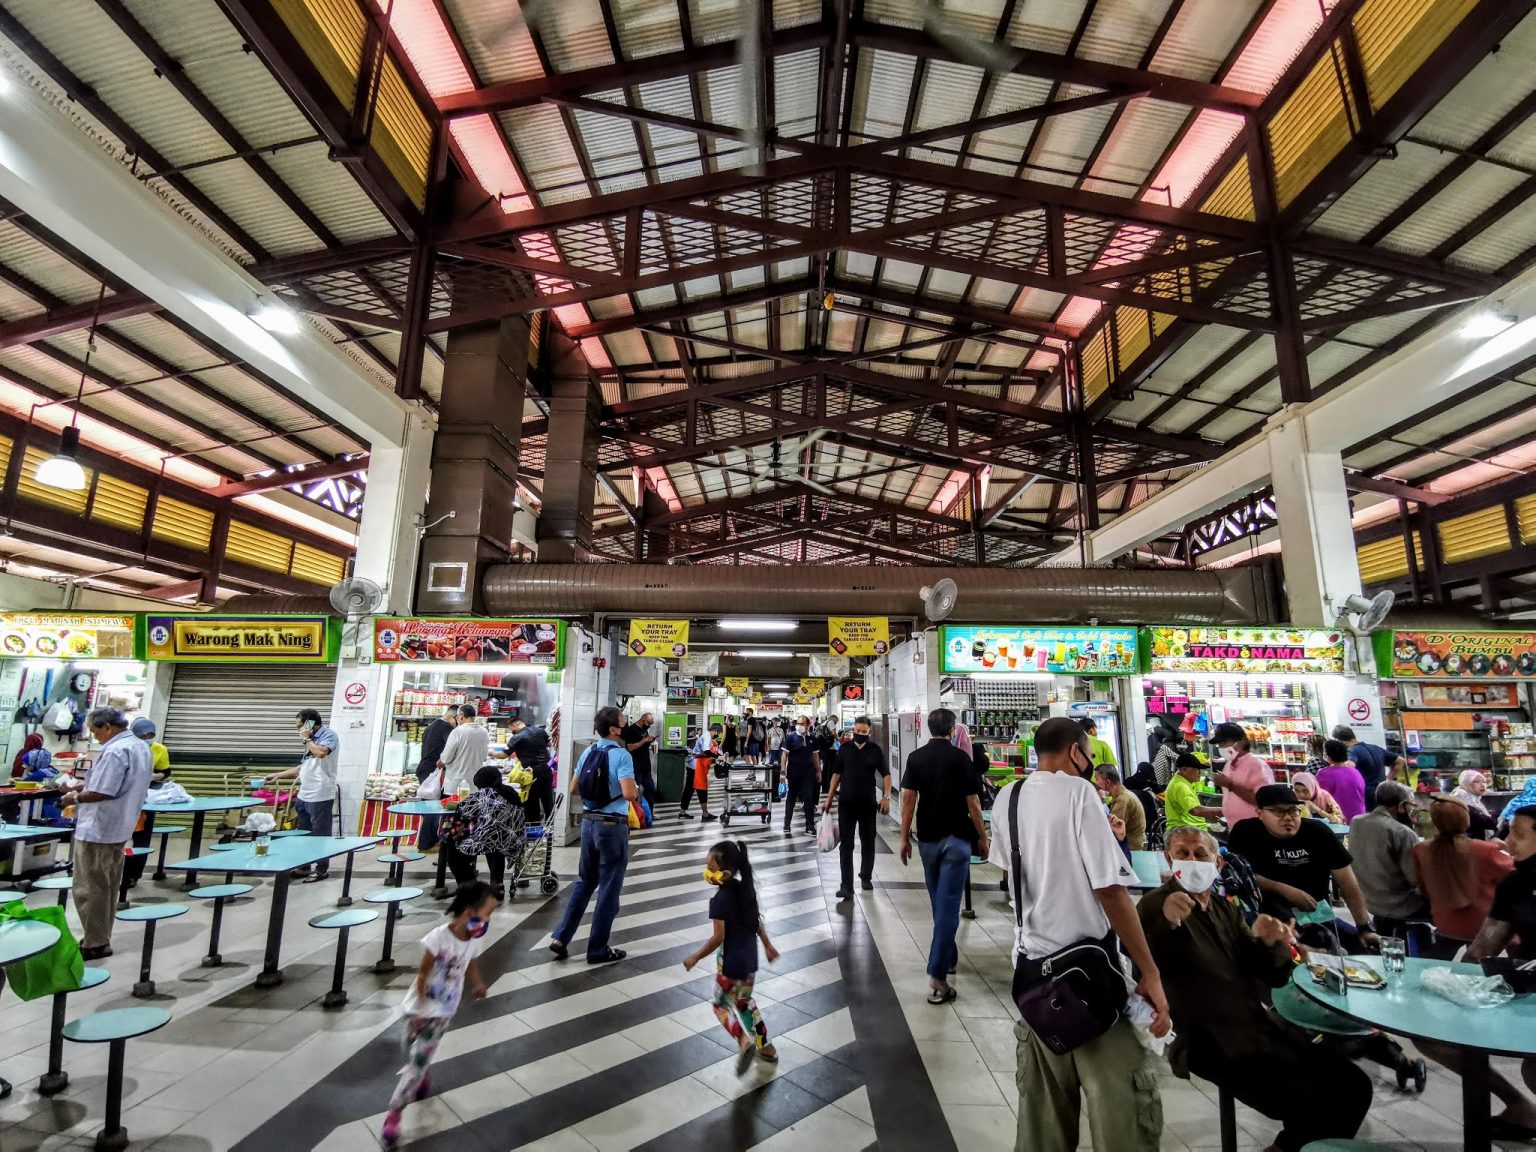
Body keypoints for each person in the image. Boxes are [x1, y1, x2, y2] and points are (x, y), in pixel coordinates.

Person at [988, 717, 1168, 1151]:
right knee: (1120, 1117)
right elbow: (1111, 890)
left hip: (1034, 975)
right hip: (1090, 978)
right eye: (1088, 754)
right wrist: (1150, 972)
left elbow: (1011, 871)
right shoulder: (1079, 792)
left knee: (1044, 1121)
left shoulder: (1009, 797)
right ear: (1074, 752)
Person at [1139, 826, 1373, 1152]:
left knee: (1354, 1086)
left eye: (1200, 854)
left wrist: (1271, 942)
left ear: (1217, 863)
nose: (1191, 861)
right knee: (1314, 1099)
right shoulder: (1154, 905)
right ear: (1169, 859)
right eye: (1183, 854)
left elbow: (1270, 975)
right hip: (1209, 1041)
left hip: (1258, 1029)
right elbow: (1143, 970)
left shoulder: (1225, 908)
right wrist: (1168, 924)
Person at [1420, 806, 1536, 1139]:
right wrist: (1446, 986)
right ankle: (1520, 1108)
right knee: (1431, 1037)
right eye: (1509, 831)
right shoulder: (1515, 882)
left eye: (1518, 834)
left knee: (1534, 1069)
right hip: (1523, 992)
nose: (1507, 841)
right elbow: (1484, 946)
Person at [380, 880, 497, 1149]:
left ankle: (394, 1114)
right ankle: (421, 1075)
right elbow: (423, 971)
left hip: (443, 1012)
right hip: (419, 1007)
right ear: (469, 911)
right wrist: (422, 996)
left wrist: (478, 984)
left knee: (416, 1063)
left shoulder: (474, 940)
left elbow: (469, 965)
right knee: (408, 1047)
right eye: (488, 912)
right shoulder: (438, 938)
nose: (489, 919)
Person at [898, 708, 989, 1006]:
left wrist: (904, 838)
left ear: (928, 729)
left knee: (941, 903)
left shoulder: (916, 758)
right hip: (958, 839)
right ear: (952, 730)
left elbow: (908, 799)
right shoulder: (961, 758)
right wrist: (983, 837)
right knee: (948, 906)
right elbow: (973, 802)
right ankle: (938, 973)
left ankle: (947, 959)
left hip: (928, 838)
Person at [1228, 784, 1380, 949]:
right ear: (1260, 814)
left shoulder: (1317, 832)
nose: (1288, 818)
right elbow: (1240, 875)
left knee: (1363, 948)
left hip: (1317, 916)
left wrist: (1364, 927)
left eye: (1294, 811)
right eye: (1279, 812)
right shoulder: (1245, 832)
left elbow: (1347, 882)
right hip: (1267, 921)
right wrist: (1283, 889)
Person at [59, 708, 152, 960]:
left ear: (108, 727)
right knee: (107, 886)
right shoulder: (140, 747)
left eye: (95, 731)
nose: (95, 736)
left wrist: (73, 797)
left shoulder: (115, 750)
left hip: (98, 830)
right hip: (118, 827)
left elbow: (104, 791)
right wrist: (84, 786)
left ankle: (95, 943)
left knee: (90, 888)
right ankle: (100, 937)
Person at [549, 706, 639, 964]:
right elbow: (630, 794)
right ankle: (598, 949)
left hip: (589, 824)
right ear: (613, 729)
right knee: (609, 888)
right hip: (612, 827)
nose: (625, 725)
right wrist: (632, 790)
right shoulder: (621, 755)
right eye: (622, 722)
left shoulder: (588, 752)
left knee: (584, 882)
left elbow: (574, 788)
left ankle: (561, 937)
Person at [683, 840, 781, 1074]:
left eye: (711, 868)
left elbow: (718, 937)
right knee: (744, 1002)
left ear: (725, 872)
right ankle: (766, 1048)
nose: (707, 872)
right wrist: (767, 945)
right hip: (749, 961)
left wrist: (695, 957)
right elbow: (756, 921)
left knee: (720, 1006)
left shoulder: (719, 900)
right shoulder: (744, 889)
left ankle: (743, 1041)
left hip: (730, 964)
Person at [1414, 795, 1513, 950]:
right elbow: (1519, 877)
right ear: (1466, 818)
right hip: (1484, 931)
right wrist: (1508, 850)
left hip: (1444, 925)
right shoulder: (1486, 851)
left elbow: (1423, 888)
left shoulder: (1421, 850)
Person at [263, 708, 340, 882]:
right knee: (303, 832)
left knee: (320, 834)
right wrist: (278, 775)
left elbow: (321, 753)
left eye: (299, 726)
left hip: (321, 794)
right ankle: (304, 866)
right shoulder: (311, 741)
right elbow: (303, 767)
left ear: (310, 724)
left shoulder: (328, 736)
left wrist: (306, 739)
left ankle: (321, 869)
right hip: (304, 793)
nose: (297, 729)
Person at [1348, 781, 1430, 937]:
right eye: (1410, 806)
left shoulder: (1356, 821)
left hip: (1368, 900)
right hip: (1399, 904)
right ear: (1400, 806)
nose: (1412, 810)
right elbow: (1416, 879)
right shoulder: (1402, 832)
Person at [822, 715, 892, 899]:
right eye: (857, 731)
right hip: (846, 803)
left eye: (864, 731)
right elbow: (836, 775)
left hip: (868, 804)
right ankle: (846, 885)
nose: (860, 734)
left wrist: (886, 797)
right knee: (846, 845)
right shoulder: (844, 749)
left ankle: (866, 876)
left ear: (870, 732)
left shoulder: (875, 750)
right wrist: (829, 799)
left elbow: (886, 775)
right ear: (853, 730)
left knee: (868, 840)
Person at [443, 766, 525, 900]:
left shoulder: (485, 794)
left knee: (453, 848)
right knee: (495, 843)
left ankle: (470, 888)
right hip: (514, 840)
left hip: (493, 839)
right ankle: (497, 888)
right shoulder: (510, 792)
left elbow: (462, 810)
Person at [122, 717, 169, 889]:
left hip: (146, 800)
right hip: (124, 800)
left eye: (150, 735)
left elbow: (165, 771)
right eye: (143, 735)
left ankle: (133, 874)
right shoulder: (125, 748)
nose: (147, 738)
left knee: (141, 839)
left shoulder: (159, 749)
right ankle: (118, 872)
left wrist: (153, 777)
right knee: (120, 839)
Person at [1209, 722, 1272, 829]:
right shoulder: (1228, 765)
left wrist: (1230, 785)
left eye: (1224, 743)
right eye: (1219, 744)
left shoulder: (1257, 766)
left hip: (1255, 828)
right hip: (1234, 828)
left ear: (1241, 742)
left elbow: (1264, 800)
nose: (1221, 748)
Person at [1331, 725, 1403, 801]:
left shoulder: (1351, 751)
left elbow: (1348, 766)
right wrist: (1388, 780)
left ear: (1339, 741)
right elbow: (1400, 761)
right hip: (1381, 793)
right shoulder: (1376, 748)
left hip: (1364, 796)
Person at [506, 718, 554, 825]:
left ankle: (535, 827)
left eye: (512, 729)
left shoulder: (517, 737)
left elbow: (505, 754)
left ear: (514, 724)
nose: (512, 732)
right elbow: (549, 744)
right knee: (548, 800)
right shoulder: (540, 731)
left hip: (531, 773)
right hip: (546, 770)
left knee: (532, 802)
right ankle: (551, 828)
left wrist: (492, 753)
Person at [780, 717, 820, 837]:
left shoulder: (812, 738)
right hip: (793, 773)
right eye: (798, 723)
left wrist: (819, 771)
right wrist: (782, 772)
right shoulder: (791, 737)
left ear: (808, 725)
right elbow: (784, 755)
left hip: (808, 773)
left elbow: (815, 756)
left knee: (808, 799)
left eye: (802, 723)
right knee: (791, 798)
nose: (799, 725)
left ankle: (810, 827)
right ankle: (787, 824)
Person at [439, 704, 490, 797]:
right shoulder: (484, 732)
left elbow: (446, 758)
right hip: (475, 784)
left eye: (457, 717)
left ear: (461, 716)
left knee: (454, 806)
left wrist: (440, 761)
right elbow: (484, 756)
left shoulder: (457, 732)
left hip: (456, 785)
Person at [1163, 752, 1222, 831]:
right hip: (1185, 833)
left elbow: (1189, 811)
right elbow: (1195, 810)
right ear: (1185, 769)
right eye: (1197, 769)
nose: (1200, 772)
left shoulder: (1183, 782)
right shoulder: (1180, 786)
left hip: (1191, 829)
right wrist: (1224, 810)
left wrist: (1206, 816)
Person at [1316, 739, 1368, 822]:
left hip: (1339, 818)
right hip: (1359, 816)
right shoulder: (1355, 772)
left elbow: (1321, 798)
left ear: (1328, 755)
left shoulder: (1324, 774)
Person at [1095, 765, 1145, 851]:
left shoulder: (1122, 800)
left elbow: (1110, 831)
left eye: (1097, 779)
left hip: (1131, 848)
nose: (1096, 784)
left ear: (1107, 782)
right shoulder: (1123, 795)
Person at [680, 723, 720, 822]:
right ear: (714, 730)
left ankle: (683, 812)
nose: (717, 734)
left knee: (690, 789)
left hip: (694, 766)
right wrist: (718, 757)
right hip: (696, 766)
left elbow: (707, 753)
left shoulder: (707, 737)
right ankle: (704, 814)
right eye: (717, 732)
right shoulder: (706, 737)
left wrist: (716, 757)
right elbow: (706, 751)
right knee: (701, 789)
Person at [621, 712, 658, 808]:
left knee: (650, 788)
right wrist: (644, 740)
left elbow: (642, 744)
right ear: (643, 720)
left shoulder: (644, 729)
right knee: (635, 791)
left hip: (646, 765)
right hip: (636, 766)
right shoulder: (632, 730)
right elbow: (630, 747)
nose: (649, 726)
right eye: (648, 723)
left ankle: (649, 812)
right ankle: (635, 813)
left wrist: (649, 741)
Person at [1451, 769, 1500, 839]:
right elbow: (1486, 823)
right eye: (1476, 782)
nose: (1483, 785)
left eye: (1484, 782)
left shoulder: (1474, 800)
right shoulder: (1462, 802)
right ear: (1465, 783)